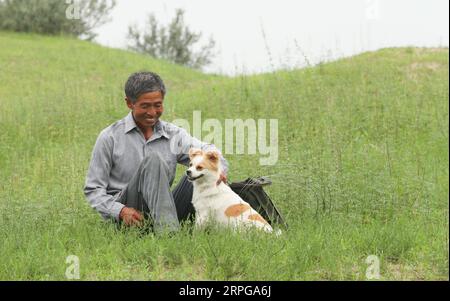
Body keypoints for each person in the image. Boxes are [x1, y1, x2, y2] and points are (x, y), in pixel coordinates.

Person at [83, 71, 228, 233]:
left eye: (157, 105)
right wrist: (121, 211)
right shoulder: (109, 137)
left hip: (164, 209)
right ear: (129, 103)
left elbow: (209, 150)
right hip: (129, 215)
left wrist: (218, 168)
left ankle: (219, 224)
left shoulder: (173, 134)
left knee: (199, 172)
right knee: (152, 161)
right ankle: (170, 237)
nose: (152, 113)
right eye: (145, 106)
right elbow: (93, 190)